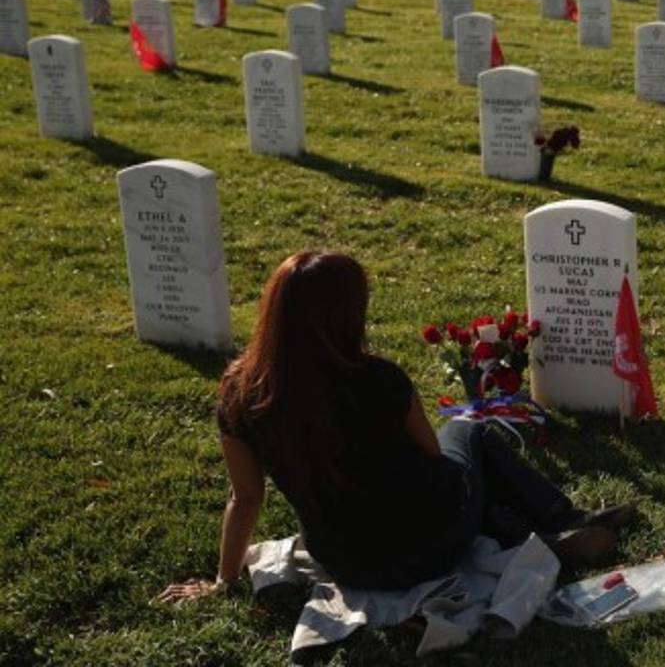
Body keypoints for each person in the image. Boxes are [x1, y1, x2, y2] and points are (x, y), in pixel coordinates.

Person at [156, 252, 632, 603]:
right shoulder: (379, 378)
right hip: (436, 542)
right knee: (469, 434)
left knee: (452, 480)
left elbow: (247, 498)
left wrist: (223, 582)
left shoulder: (241, 394)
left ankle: (538, 535)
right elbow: (434, 459)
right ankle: (561, 521)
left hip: (349, 562)